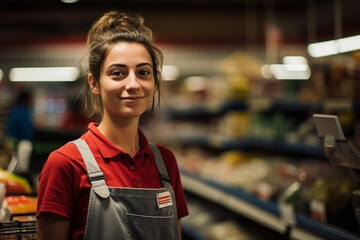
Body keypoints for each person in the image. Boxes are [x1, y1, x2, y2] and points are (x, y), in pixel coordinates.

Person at [36, 11, 189, 240]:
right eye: (118, 73)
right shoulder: (65, 164)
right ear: (94, 83)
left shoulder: (165, 163)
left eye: (143, 72)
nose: (133, 83)